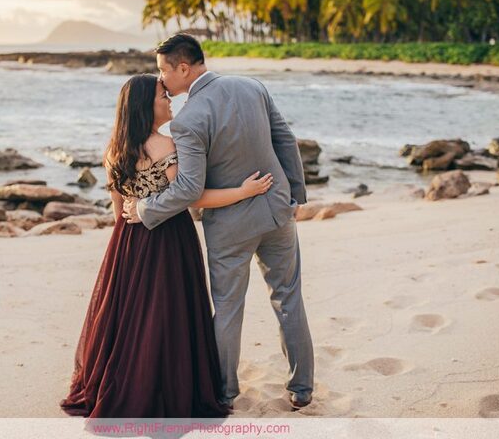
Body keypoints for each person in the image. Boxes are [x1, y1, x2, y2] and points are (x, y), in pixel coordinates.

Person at [60, 72, 273, 418]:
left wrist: (125, 249)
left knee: (131, 318)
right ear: (147, 106)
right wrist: (242, 192)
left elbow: (118, 210)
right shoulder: (165, 145)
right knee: (169, 313)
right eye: (163, 96)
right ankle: (164, 384)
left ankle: (126, 380)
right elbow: (191, 196)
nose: (169, 100)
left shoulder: (113, 150)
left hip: (126, 242)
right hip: (168, 239)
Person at [122, 34, 315, 409]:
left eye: (163, 70)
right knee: (289, 297)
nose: (160, 80)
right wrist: (295, 196)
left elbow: (189, 188)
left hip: (229, 226)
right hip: (277, 213)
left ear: (183, 67)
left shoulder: (189, 119)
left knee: (228, 307)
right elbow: (286, 140)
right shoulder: (251, 86)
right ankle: (302, 388)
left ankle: (226, 392)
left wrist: (146, 210)